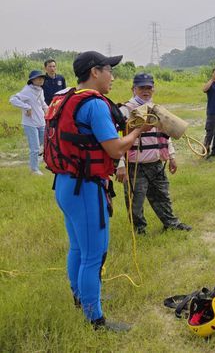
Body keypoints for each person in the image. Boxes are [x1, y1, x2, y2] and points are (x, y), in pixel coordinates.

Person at [46, 51, 151, 331]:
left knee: (79, 247)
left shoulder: (66, 97)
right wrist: (138, 132)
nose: (112, 76)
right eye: (109, 70)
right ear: (95, 72)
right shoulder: (93, 105)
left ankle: (83, 298)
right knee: (95, 254)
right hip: (85, 188)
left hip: (66, 185)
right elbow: (115, 148)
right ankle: (97, 320)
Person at [115, 72, 192, 235]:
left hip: (156, 163)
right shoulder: (125, 111)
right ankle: (139, 230)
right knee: (135, 200)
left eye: (149, 87)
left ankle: (171, 223)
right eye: (142, 87)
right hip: (135, 165)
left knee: (162, 195)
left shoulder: (157, 109)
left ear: (153, 89)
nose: (146, 91)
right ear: (133, 89)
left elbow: (165, 134)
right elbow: (116, 140)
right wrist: (120, 164)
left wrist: (171, 156)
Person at [9, 70, 48, 175]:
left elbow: (42, 103)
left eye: (42, 78)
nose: (41, 80)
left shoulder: (40, 90)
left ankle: (36, 161)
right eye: (38, 78)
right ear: (32, 80)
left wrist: (48, 110)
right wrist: (27, 107)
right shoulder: (27, 90)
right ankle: (34, 169)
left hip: (41, 122)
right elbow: (12, 99)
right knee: (35, 147)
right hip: (30, 123)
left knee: (44, 144)